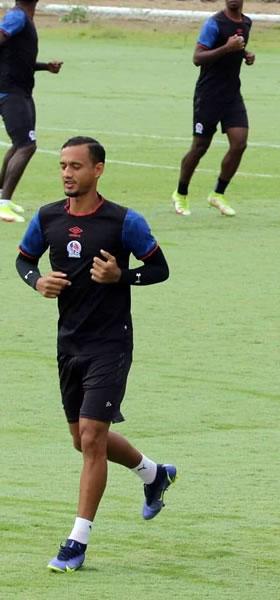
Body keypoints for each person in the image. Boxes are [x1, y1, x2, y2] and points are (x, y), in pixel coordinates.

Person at [16, 137, 175, 572]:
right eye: (63, 166)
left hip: (110, 344)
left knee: (91, 438)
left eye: (76, 166)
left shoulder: (124, 221)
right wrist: (37, 281)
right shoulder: (47, 217)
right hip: (69, 343)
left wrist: (121, 276)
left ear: (98, 169)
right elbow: (24, 260)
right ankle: (154, 473)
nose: (67, 173)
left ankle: (77, 542)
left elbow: (160, 269)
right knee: (83, 440)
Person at [172, 0, 253, 218]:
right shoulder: (214, 23)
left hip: (232, 95)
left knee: (239, 143)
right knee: (200, 147)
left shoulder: (246, 23)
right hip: (208, 95)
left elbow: (236, 49)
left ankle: (218, 194)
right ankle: (181, 193)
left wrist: (245, 54)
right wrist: (227, 48)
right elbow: (197, 58)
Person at [0, 0, 61, 224]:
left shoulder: (23, 18)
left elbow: (16, 58)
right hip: (10, 91)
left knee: (19, 144)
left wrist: (45, 67)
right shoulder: (17, 17)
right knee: (27, 146)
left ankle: (1, 196)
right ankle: (3, 204)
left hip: (20, 91)